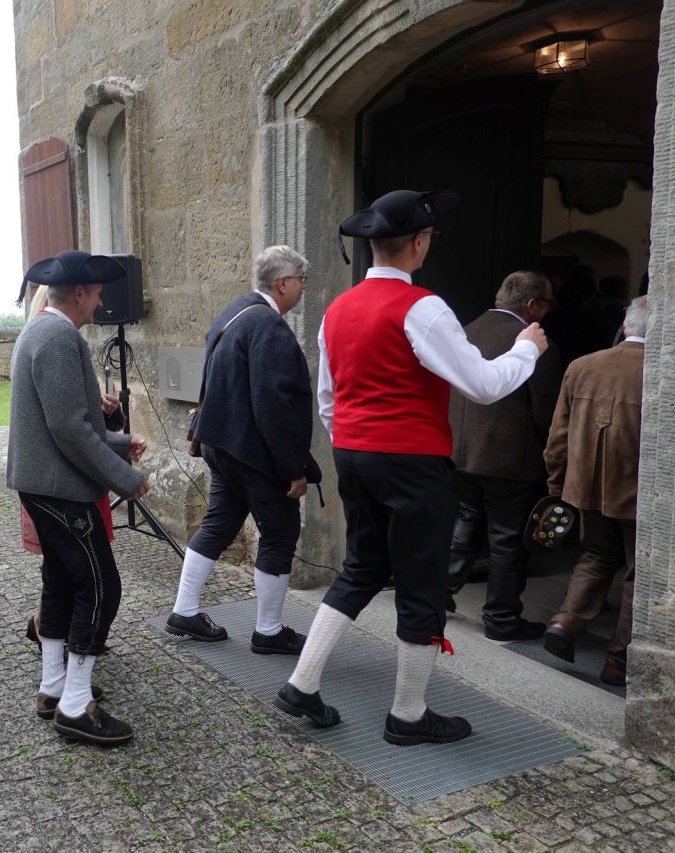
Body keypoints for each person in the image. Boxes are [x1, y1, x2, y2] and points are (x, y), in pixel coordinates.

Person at [275, 190, 548, 746]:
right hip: (412, 459)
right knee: (421, 584)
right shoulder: (422, 307)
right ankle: (407, 714)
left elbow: (327, 397)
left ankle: (301, 683)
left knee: (362, 567)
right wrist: (527, 350)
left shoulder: (337, 308)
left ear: (375, 245)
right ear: (419, 243)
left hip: (353, 452)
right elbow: (483, 385)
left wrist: (354, 439)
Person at [8, 250, 149, 747]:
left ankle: (53, 688)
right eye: (97, 292)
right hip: (58, 488)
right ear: (80, 293)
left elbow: (64, 423)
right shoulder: (56, 335)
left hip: (47, 483)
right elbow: (68, 428)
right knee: (100, 586)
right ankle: (74, 705)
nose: (103, 300)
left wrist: (117, 442)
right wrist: (124, 477)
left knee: (63, 584)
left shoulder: (42, 331)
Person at [166, 245, 320, 653]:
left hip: (220, 442)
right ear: (282, 283)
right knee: (281, 531)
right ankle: (268, 631)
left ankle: (185, 610)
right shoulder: (268, 326)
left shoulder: (234, 311)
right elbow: (274, 405)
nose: (304, 288)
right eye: (302, 279)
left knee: (219, 522)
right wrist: (294, 468)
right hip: (253, 451)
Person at [447, 271, 564, 638]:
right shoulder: (533, 342)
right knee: (506, 539)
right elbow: (546, 410)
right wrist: (556, 458)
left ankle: (436, 592)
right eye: (547, 305)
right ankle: (501, 618)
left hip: (460, 453)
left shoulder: (465, 329)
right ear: (532, 305)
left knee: (465, 525)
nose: (547, 313)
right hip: (508, 460)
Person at [542, 297, 649, 686]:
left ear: (626, 327)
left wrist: (558, 486)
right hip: (637, 493)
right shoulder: (660, 372)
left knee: (596, 555)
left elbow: (558, 438)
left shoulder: (581, 366)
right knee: (640, 572)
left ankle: (564, 623)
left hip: (584, 487)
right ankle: (618, 659)